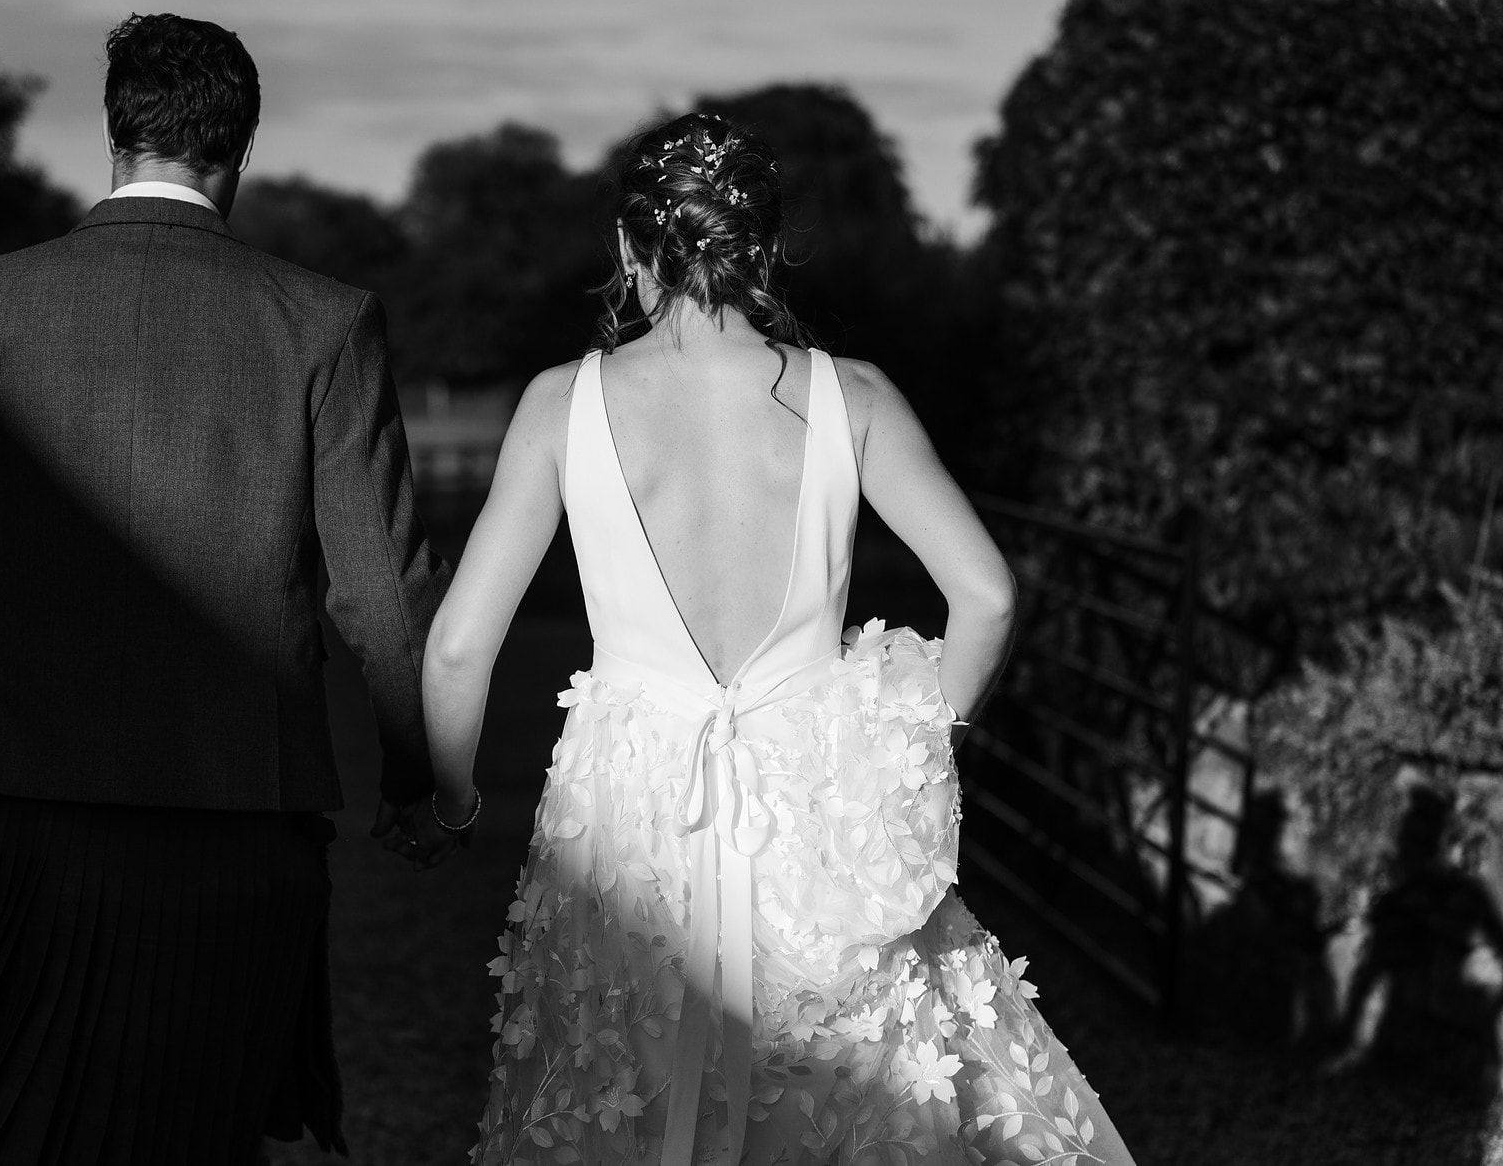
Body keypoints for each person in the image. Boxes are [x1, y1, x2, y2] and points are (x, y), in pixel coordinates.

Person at [0, 13, 455, 1166]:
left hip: (25, 801)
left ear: (117, 129)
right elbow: (383, 588)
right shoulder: (325, 321)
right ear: (242, 145)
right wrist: (417, 780)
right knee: (195, 1133)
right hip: (243, 824)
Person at [424, 114, 1138, 1164]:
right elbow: (984, 593)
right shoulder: (853, 397)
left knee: (620, 1089)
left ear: (630, 248)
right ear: (763, 246)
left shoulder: (556, 407)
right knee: (858, 1095)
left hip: (632, 824)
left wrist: (450, 799)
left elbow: (454, 648)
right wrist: (915, 746)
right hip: (821, 804)